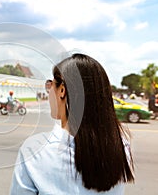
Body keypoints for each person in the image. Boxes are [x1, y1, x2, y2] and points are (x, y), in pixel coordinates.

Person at [10, 53, 134, 194]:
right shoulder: (122, 146)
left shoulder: (35, 149)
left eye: (50, 85)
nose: (48, 90)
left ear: (62, 90)